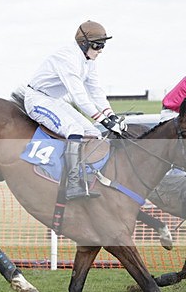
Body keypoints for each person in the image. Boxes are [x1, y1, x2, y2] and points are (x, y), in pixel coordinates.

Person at [24, 20, 127, 200]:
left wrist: (111, 115)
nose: (100, 50)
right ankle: (72, 185)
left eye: (103, 46)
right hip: (37, 99)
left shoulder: (89, 60)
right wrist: (104, 120)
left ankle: (85, 178)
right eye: (97, 45)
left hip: (55, 100)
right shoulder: (67, 58)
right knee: (75, 129)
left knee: (93, 132)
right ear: (84, 43)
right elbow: (79, 97)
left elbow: (95, 90)